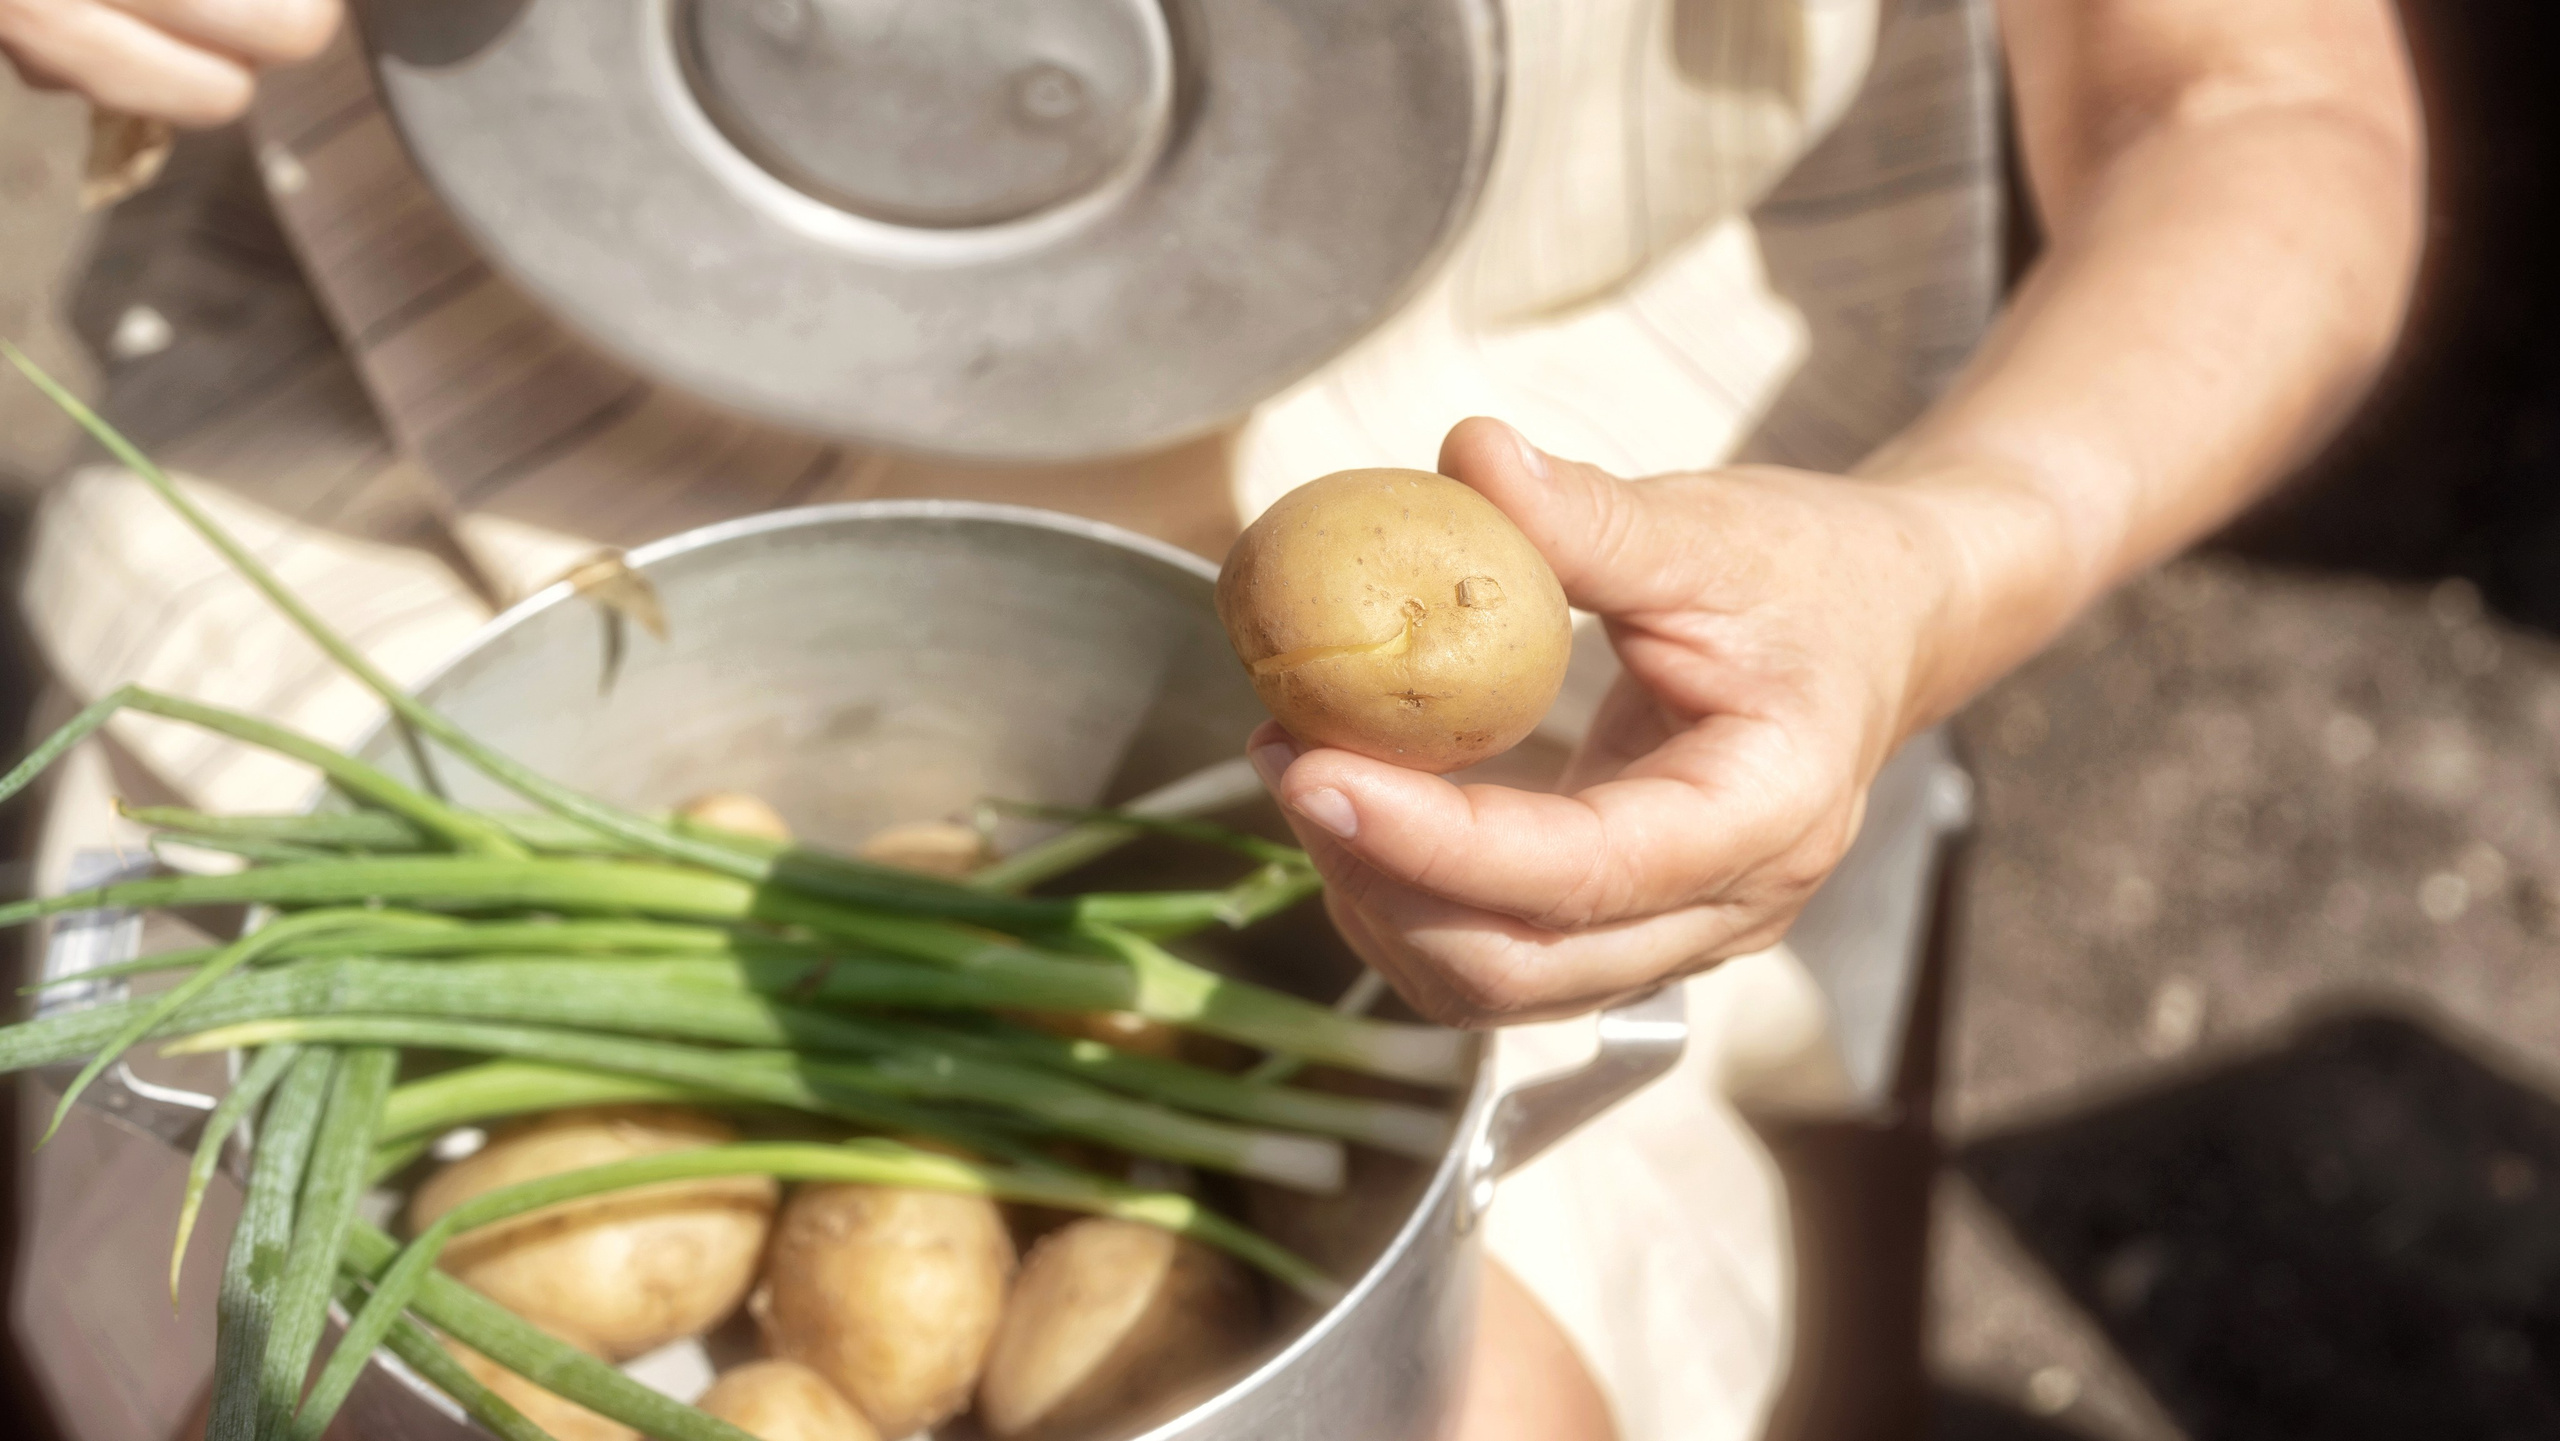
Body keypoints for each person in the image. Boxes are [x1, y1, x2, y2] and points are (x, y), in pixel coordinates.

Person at [1, 2, 2422, 1439]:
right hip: (413, 430)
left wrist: (1929, 565)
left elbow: (2256, 99)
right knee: (240, 1320)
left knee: (1484, 1398)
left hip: (1526, 572)